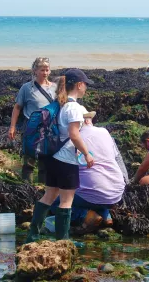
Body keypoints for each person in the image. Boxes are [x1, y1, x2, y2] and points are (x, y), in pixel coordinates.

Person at [26, 68, 96, 242]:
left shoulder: (61, 105)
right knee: (66, 200)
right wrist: (86, 154)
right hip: (66, 160)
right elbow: (74, 134)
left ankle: (33, 235)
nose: (86, 88)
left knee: (49, 195)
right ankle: (62, 240)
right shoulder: (74, 108)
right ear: (79, 85)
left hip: (52, 157)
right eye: (85, 84)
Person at [52, 117, 129, 234]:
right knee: (93, 192)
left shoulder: (72, 138)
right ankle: (105, 215)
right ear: (88, 121)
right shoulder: (104, 132)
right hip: (116, 193)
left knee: (55, 202)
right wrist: (126, 182)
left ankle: (86, 216)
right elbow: (118, 158)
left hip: (93, 193)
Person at [8, 57, 57, 182]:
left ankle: (42, 188)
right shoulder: (26, 88)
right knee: (29, 162)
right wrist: (12, 127)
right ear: (35, 71)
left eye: (47, 70)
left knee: (44, 162)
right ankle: (27, 185)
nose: (45, 73)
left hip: (48, 129)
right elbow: (17, 107)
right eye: (42, 70)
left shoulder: (55, 88)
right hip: (31, 128)